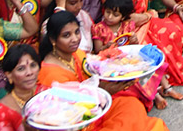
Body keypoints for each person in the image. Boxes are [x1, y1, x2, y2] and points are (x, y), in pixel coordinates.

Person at [37, 11, 170, 131]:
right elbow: (66, 112)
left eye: (77, 32)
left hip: (98, 105)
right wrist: (103, 91)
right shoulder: (50, 74)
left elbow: (95, 68)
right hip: (81, 121)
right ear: (53, 40)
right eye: (67, 35)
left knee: (132, 104)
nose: (75, 39)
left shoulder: (76, 53)